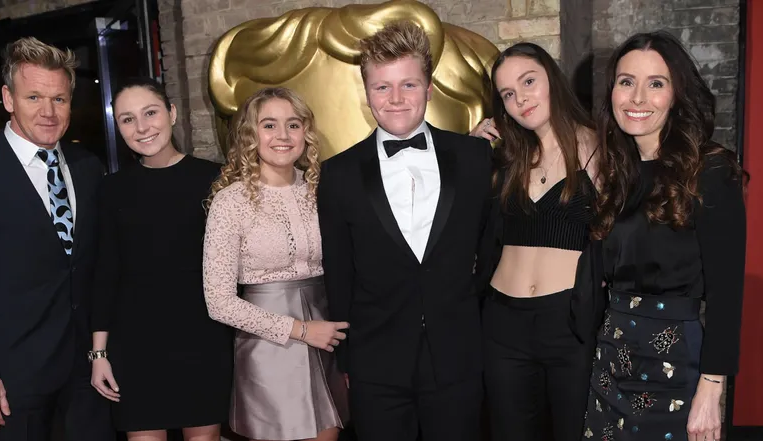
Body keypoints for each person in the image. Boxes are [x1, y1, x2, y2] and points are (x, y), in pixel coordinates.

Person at [0, 37, 114, 441]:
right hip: (11, 379)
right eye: (34, 97)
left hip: (89, 371)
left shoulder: (87, 167)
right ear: (8, 98)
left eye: (59, 100)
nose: (48, 112)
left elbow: (96, 264)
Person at [318, 21, 494, 441]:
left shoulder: (474, 157)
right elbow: (338, 272)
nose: (395, 99)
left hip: (459, 356)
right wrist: (347, 361)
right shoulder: (337, 174)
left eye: (409, 85)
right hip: (375, 364)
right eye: (382, 88)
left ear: (429, 88)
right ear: (367, 93)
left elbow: (491, 249)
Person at [583, 31, 746, 441]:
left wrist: (712, 388)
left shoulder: (709, 170)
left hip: (674, 363)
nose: (637, 98)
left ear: (677, 95)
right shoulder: (618, 175)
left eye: (656, 83)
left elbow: (727, 292)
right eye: (626, 82)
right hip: (611, 358)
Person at [470, 42, 602, 441]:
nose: (520, 99)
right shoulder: (505, 159)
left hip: (568, 323)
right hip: (502, 322)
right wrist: (469, 151)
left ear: (553, 80)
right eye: (508, 94)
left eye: (528, 81)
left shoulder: (602, 149)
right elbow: (455, 223)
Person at [202, 86, 350, 441]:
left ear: (306, 133)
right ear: (251, 135)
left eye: (293, 125)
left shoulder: (323, 191)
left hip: (327, 338)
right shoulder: (230, 202)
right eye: (269, 125)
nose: (282, 136)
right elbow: (217, 301)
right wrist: (300, 330)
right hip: (267, 345)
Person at [89, 77, 232, 441]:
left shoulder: (215, 179)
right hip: (135, 346)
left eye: (150, 112)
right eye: (127, 119)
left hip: (203, 338)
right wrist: (98, 354)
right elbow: (105, 273)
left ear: (171, 113)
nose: (141, 127)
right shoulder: (111, 190)